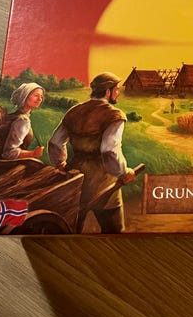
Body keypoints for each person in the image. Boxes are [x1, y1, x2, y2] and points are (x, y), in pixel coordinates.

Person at [48, 72, 136, 233]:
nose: (118, 93)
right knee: (114, 232)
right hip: (103, 181)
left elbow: (55, 142)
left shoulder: (74, 111)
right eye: (116, 89)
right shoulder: (114, 115)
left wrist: (60, 163)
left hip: (75, 179)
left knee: (73, 229)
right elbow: (109, 150)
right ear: (108, 91)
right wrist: (124, 172)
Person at [1, 83, 45, 160]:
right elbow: (8, 153)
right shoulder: (23, 120)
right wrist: (33, 153)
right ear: (25, 96)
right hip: (8, 164)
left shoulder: (13, 116)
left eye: (41, 96)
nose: (40, 99)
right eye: (36, 95)